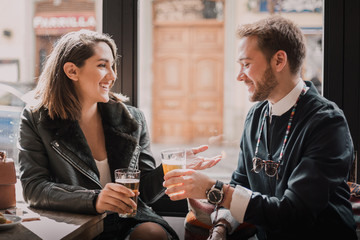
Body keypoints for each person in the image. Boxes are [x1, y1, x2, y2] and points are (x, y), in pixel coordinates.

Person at [163, 16, 357, 239]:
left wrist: (214, 190)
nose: (239, 76)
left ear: (279, 61)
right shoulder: (256, 115)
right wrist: (221, 226)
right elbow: (241, 183)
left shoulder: (327, 123)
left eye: (246, 64)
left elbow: (294, 213)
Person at [18, 29, 221, 240]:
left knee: (152, 233)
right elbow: (35, 188)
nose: (113, 75)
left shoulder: (132, 119)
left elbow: (145, 193)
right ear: (72, 71)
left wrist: (171, 169)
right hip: (77, 222)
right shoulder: (37, 120)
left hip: (128, 221)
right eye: (102, 65)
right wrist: (94, 200)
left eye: (112, 65)